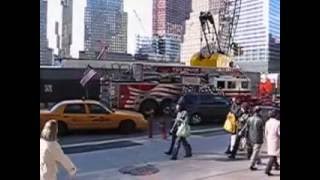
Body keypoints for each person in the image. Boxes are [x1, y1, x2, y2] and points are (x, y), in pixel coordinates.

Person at [246, 106, 264, 170]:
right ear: (259, 112)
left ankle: (259, 160)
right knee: (255, 151)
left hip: (250, 137)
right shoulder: (260, 120)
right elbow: (262, 130)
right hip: (258, 138)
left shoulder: (249, 119)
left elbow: (246, 128)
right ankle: (252, 164)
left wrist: (246, 137)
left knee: (256, 150)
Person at [264, 110, 280, 176]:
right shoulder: (278, 123)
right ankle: (267, 169)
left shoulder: (267, 122)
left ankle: (276, 166)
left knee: (273, 154)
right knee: (273, 155)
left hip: (269, 139)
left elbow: (266, 132)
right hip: (275, 140)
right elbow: (279, 133)